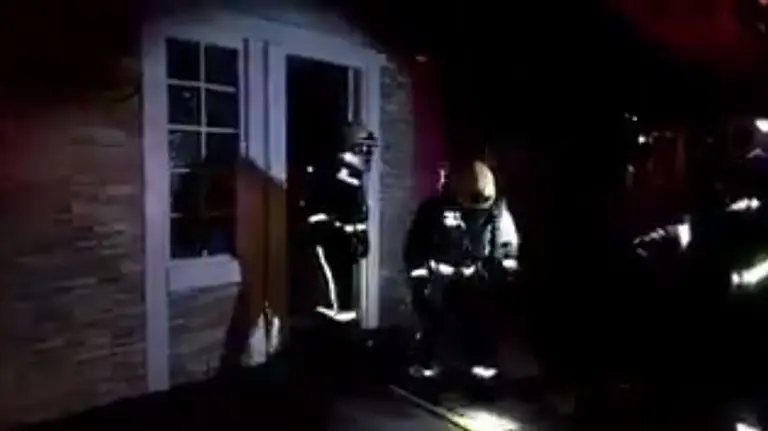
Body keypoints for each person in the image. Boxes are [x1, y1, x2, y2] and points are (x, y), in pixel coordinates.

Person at [403, 160, 520, 380]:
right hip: (440, 279)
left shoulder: (496, 211)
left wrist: (499, 270)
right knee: (433, 322)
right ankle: (426, 365)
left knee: (481, 321)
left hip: (477, 279)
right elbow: (416, 246)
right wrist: (421, 278)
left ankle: (482, 370)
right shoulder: (434, 210)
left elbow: (506, 247)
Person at [302, 122, 377, 323]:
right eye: (362, 149)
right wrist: (344, 232)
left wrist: (359, 236)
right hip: (330, 259)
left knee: (347, 308)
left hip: (346, 260)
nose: (368, 155)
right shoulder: (329, 183)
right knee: (333, 311)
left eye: (370, 150)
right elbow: (318, 225)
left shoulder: (355, 184)